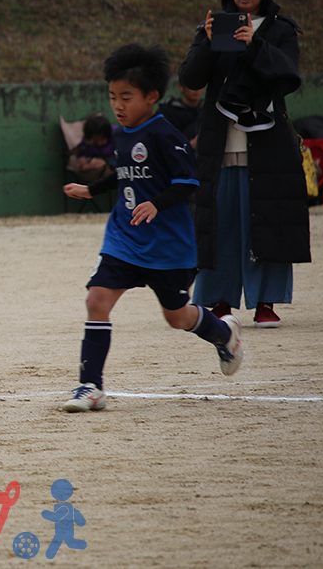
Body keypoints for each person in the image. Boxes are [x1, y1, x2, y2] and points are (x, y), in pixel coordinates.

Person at [61, 44, 242, 413]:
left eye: (126, 97)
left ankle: (224, 332)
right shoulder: (121, 134)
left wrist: (156, 203)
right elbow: (123, 174)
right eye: (112, 96)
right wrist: (91, 189)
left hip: (167, 246)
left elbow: (188, 181)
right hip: (124, 238)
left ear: (151, 97)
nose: (117, 105)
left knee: (177, 317)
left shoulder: (165, 135)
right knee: (96, 300)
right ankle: (91, 387)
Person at [178, 0, 307, 329]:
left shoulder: (280, 29)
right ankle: (218, 300)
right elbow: (190, 78)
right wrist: (206, 41)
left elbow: (288, 75)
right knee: (220, 224)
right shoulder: (212, 27)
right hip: (220, 145)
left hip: (268, 146)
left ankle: (266, 302)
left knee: (268, 221)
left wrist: (254, 44)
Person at [66, 114, 116, 181]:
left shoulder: (117, 137)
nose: (99, 143)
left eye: (102, 140)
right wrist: (84, 160)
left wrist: (107, 162)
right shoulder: (88, 141)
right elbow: (83, 151)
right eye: (96, 140)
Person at [156, 80, 204, 148]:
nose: (196, 90)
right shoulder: (168, 112)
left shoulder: (206, 111)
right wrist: (190, 146)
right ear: (181, 87)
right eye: (192, 86)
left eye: (200, 86)